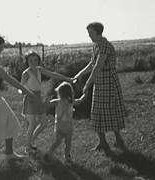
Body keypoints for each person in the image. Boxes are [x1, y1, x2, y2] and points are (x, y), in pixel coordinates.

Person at [0, 35, 38, 170]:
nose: (2, 49)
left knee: (10, 122)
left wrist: (0, 85)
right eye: (1, 47)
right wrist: (26, 91)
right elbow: (7, 78)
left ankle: (9, 153)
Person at [73, 22, 127, 152]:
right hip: (100, 81)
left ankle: (118, 140)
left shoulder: (105, 46)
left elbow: (98, 66)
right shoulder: (96, 46)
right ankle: (103, 142)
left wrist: (87, 84)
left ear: (98, 32)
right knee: (97, 111)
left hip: (108, 82)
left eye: (91, 33)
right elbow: (92, 63)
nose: (89, 36)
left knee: (111, 110)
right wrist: (79, 74)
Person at [20, 50, 75, 153]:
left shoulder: (39, 70)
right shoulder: (25, 73)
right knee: (32, 123)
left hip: (39, 98)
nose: (33, 62)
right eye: (30, 60)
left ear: (38, 61)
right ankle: (28, 148)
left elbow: (53, 74)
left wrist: (67, 79)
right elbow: (21, 88)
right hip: (30, 99)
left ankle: (31, 141)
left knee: (44, 123)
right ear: (27, 61)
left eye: (35, 60)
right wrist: (26, 93)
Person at [42, 82, 87, 165]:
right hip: (68, 125)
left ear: (59, 93)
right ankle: (67, 158)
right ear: (70, 92)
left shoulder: (57, 101)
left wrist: (47, 99)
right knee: (68, 143)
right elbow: (80, 100)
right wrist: (85, 93)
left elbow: (47, 104)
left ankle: (49, 153)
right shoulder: (71, 102)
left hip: (58, 124)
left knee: (57, 141)